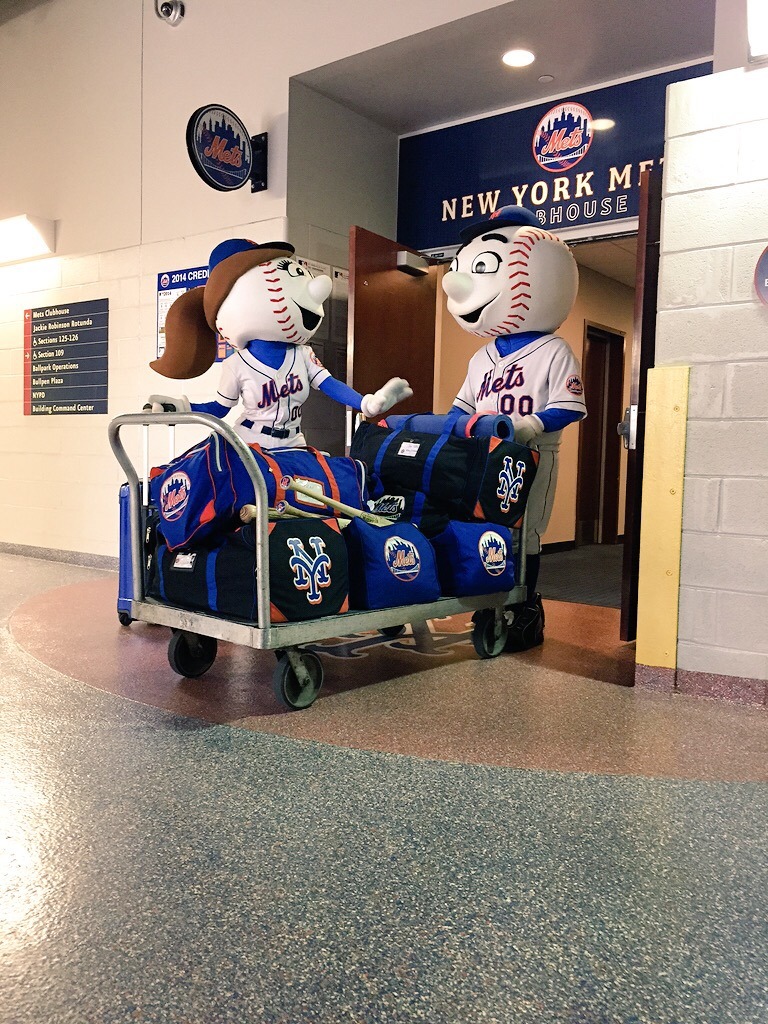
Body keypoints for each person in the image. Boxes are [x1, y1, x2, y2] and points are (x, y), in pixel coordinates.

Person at [442, 205, 587, 651]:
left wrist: (532, 424)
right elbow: (460, 406)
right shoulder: (481, 357)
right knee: (487, 524)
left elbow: (571, 405)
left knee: (526, 531)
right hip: (485, 456)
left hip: (535, 453)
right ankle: (491, 599)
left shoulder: (553, 349)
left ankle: (526, 605)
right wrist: (446, 428)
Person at [147, 238, 411, 447]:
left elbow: (329, 384)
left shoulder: (303, 354)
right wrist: (178, 408)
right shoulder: (236, 364)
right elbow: (219, 409)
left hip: (294, 441)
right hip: (250, 444)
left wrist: (366, 403)